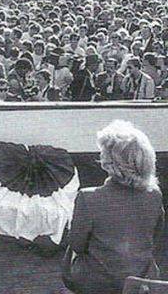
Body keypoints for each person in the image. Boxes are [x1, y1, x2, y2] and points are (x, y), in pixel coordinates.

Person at [62, 120, 164, 294]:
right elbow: (155, 236)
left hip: (99, 284)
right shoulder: (154, 194)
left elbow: (77, 245)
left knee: (70, 254)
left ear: (108, 162)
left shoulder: (88, 197)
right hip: (142, 281)